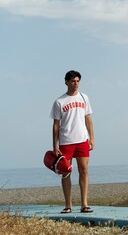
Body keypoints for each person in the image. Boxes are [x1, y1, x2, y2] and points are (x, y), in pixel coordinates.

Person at [50, 70, 95, 214]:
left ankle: (84, 204)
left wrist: (92, 138)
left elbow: (88, 119)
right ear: (66, 82)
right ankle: (68, 205)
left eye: (77, 81)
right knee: (66, 173)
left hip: (82, 140)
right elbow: (56, 125)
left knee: (84, 170)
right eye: (73, 81)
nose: (76, 84)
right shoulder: (59, 101)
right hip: (66, 141)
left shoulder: (84, 98)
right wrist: (55, 145)